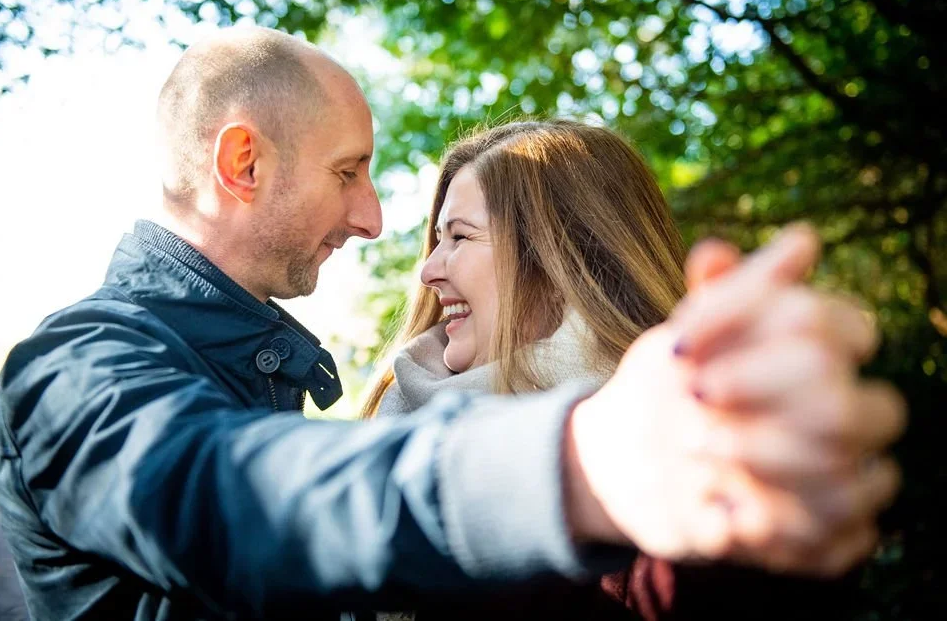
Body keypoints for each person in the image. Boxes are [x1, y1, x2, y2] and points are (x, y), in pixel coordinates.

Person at [0, 27, 906, 621]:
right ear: (244, 164)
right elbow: (234, 493)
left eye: (454, 236)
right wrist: (580, 465)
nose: (374, 221)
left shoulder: (253, 369)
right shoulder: (75, 364)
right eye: (348, 172)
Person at [364, 119, 892, 618]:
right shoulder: (392, 427)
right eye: (437, 240)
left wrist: (756, 460)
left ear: (559, 259)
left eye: (459, 237)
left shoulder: (684, 443)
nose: (428, 270)